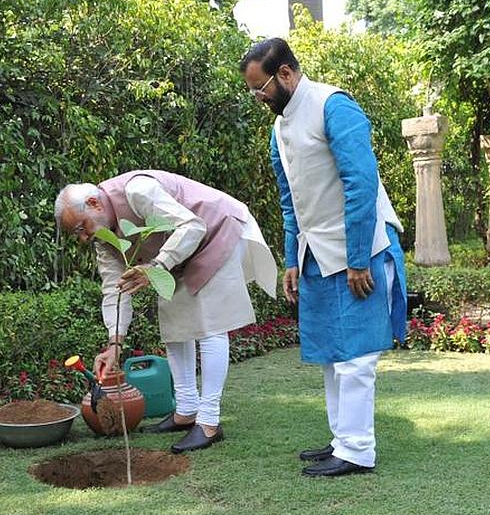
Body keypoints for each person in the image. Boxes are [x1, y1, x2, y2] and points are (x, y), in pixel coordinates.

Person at [240, 38, 407, 477]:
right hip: (317, 251)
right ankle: (342, 441)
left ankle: (358, 450)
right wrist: (292, 258)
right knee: (334, 353)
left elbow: (361, 183)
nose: (258, 99)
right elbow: (289, 199)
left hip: (361, 247)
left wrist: (357, 260)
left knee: (357, 355)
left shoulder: (334, 105)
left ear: (286, 74)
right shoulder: (280, 129)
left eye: (261, 89)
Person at [54, 170, 277, 453]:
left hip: (215, 231)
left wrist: (157, 267)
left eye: (81, 228)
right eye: (78, 234)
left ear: (94, 203)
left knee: (210, 326)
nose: (84, 238)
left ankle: (208, 421)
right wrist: (114, 344)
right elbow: (114, 289)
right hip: (178, 255)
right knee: (174, 325)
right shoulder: (104, 240)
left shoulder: (138, 191)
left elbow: (192, 227)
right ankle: (186, 410)